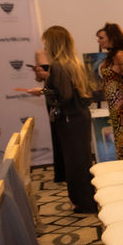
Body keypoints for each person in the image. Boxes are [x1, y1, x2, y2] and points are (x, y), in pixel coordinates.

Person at [41, 26, 96, 213]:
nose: (44, 47)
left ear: (54, 44)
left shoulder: (58, 66)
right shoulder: (75, 63)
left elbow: (64, 96)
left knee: (75, 163)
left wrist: (47, 92)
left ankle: (83, 203)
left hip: (69, 120)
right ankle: (87, 200)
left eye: (46, 43)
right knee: (82, 161)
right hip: (79, 117)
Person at [96, 23, 123, 160]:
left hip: (121, 103)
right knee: (120, 134)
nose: (98, 41)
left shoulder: (119, 54)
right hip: (115, 105)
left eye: (101, 38)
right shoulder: (111, 56)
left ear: (111, 38)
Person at [32, 48, 64, 182]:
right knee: (56, 134)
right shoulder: (39, 53)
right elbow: (40, 78)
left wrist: (47, 76)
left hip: (61, 98)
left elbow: (60, 81)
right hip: (50, 98)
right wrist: (40, 73)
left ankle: (67, 171)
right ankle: (61, 172)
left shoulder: (60, 56)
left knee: (63, 135)